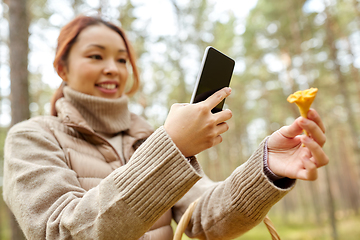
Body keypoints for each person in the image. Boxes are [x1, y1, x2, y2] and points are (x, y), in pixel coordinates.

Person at [2, 15, 328, 240]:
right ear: (62, 67)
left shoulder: (147, 137)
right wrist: (172, 146)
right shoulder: (32, 138)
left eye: (122, 59)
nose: (112, 69)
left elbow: (207, 219)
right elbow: (61, 232)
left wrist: (268, 168)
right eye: (96, 56)